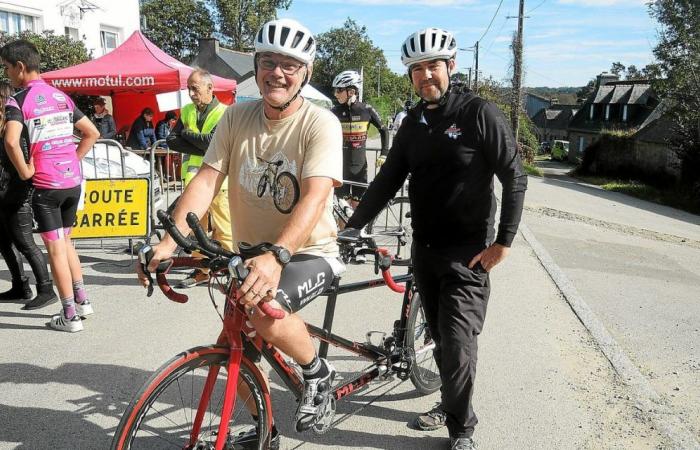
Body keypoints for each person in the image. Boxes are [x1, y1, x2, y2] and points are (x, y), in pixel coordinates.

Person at [139, 18, 344, 439]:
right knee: (233, 347)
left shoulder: (320, 123)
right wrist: (165, 243)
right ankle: (263, 429)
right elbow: (205, 181)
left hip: (308, 251)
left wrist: (278, 255)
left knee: (266, 313)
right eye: (269, 61)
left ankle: (319, 373)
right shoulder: (236, 118)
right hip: (252, 255)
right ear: (255, 65)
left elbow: (315, 197)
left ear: (305, 72)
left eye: (290, 64)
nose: (277, 72)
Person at [344, 28, 527, 450]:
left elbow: (515, 177)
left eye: (433, 66)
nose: (426, 75)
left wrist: (504, 242)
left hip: (470, 255)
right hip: (425, 250)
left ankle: (461, 431)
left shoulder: (479, 114)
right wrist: (353, 226)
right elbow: (386, 182)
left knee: (459, 344)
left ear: (451, 67)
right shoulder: (413, 123)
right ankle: (451, 403)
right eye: (417, 69)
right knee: (442, 342)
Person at [1, 39, 100, 332]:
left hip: (47, 187)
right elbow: (91, 133)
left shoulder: (17, 100)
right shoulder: (61, 97)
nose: (6, 74)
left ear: (20, 67)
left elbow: (9, 140)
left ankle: (69, 316)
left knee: (55, 249)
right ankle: (82, 301)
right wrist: (74, 159)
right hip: (72, 183)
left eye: (7, 68)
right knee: (67, 243)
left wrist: (24, 171)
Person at [166, 69, 232, 288]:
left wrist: (187, 134)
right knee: (196, 229)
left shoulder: (225, 112)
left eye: (195, 88)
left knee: (224, 227)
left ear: (209, 88)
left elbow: (210, 142)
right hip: (193, 181)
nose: (191, 93)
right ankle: (201, 270)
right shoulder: (187, 111)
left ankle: (231, 269)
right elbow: (171, 141)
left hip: (220, 182)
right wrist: (200, 143)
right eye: (189, 89)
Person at [0, 80, 57, 309]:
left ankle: (46, 289)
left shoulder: (15, 126)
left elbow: (23, 159)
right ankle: (20, 286)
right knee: (4, 243)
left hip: (16, 192)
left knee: (25, 242)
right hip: (2, 193)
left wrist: (22, 185)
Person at [331, 70, 388, 208]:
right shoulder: (334, 111)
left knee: (357, 208)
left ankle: (357, 230)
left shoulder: (366, 109)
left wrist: (384, 154)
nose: (335, 94)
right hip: (341, 168)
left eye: (339, 90)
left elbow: (384, 130)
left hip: (359, 168)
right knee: (342, 208)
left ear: (351, 91)